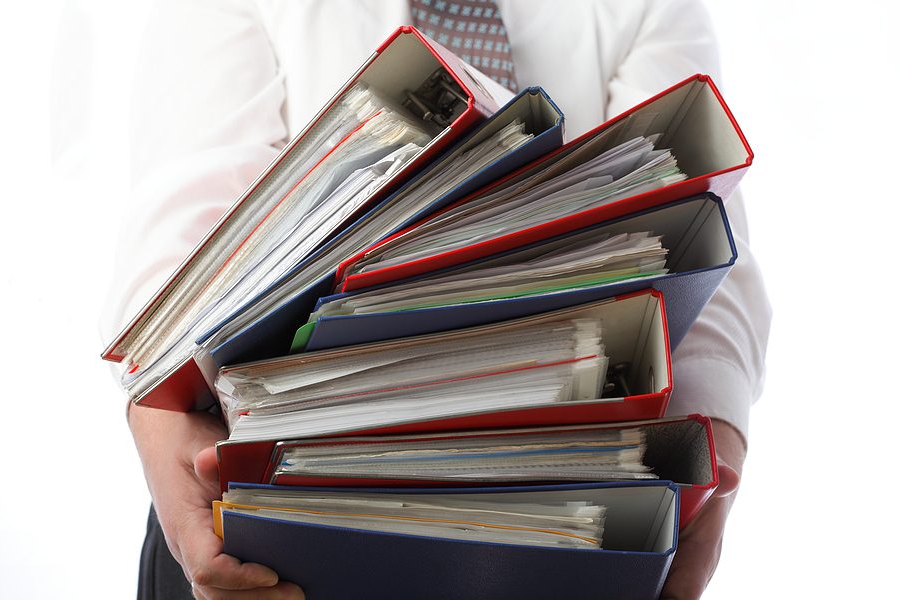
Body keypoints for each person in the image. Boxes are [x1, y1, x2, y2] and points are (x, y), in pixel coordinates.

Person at [106, 1, 771, 598]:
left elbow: (697, 229)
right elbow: (186, 222)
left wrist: (714, 453)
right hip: (268, 513)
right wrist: (161, 426)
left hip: (559, 511)